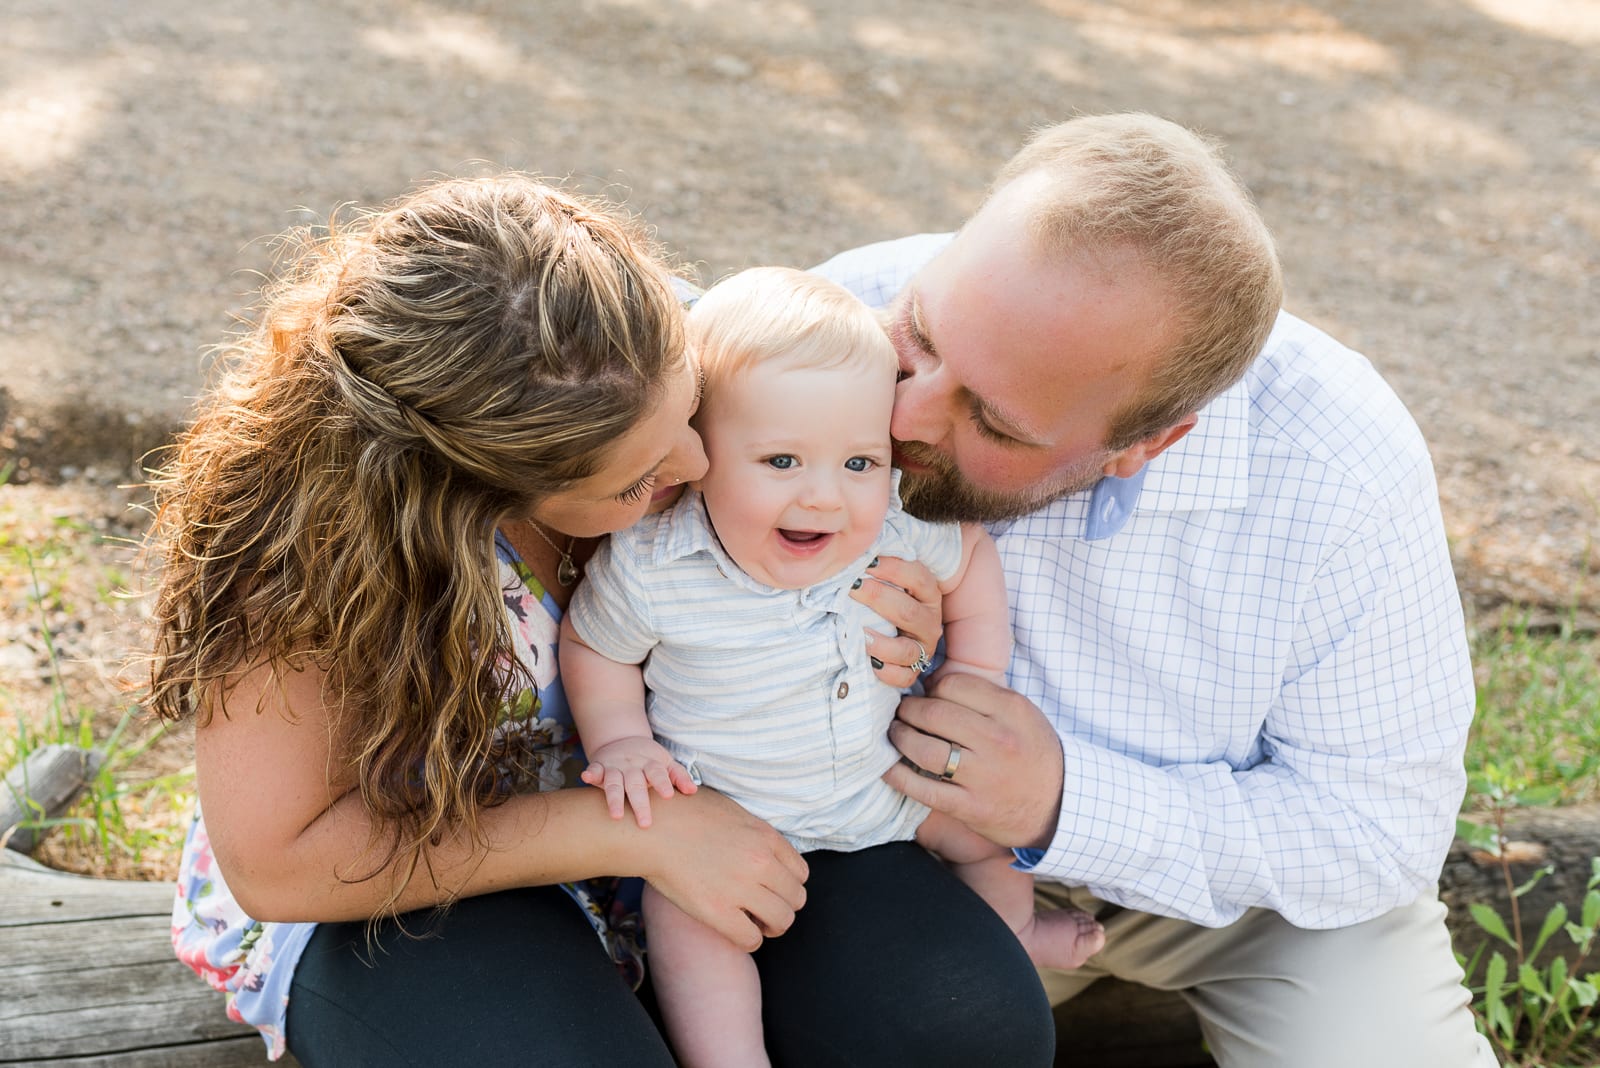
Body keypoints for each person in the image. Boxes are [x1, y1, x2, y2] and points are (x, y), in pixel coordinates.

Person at [146, 175, 1055, 1066]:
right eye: (635, 479)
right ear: (483, 494)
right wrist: (627, 831)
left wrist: (884, 607)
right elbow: (277, 865)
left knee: (967, 1029)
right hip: (424, 875)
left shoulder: (627, 358)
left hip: (740, 796)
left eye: (692, 408)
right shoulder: (307, 563)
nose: (698, 463)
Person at [813, 113, 1498, 1067]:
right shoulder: (840, 315)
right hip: (906, 867)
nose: (904, 411)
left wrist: (1064, 802)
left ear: (1149, 442)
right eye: (922, 339)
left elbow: (1377, 832)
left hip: (1257, 910)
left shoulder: (1339, 467)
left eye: (994, 424)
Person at [560, 267, 1099, 1067]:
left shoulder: (894, 531)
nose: (826, 498)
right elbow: (595, 645)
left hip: (880, 793)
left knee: (986, 834)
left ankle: (1017, 931)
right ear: (699, 456)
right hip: (732, 819)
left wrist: (977, 670)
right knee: (691, 929)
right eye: (781, 462)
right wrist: (621, 742)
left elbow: (969, 561)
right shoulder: (657, 566)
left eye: (859, 463)